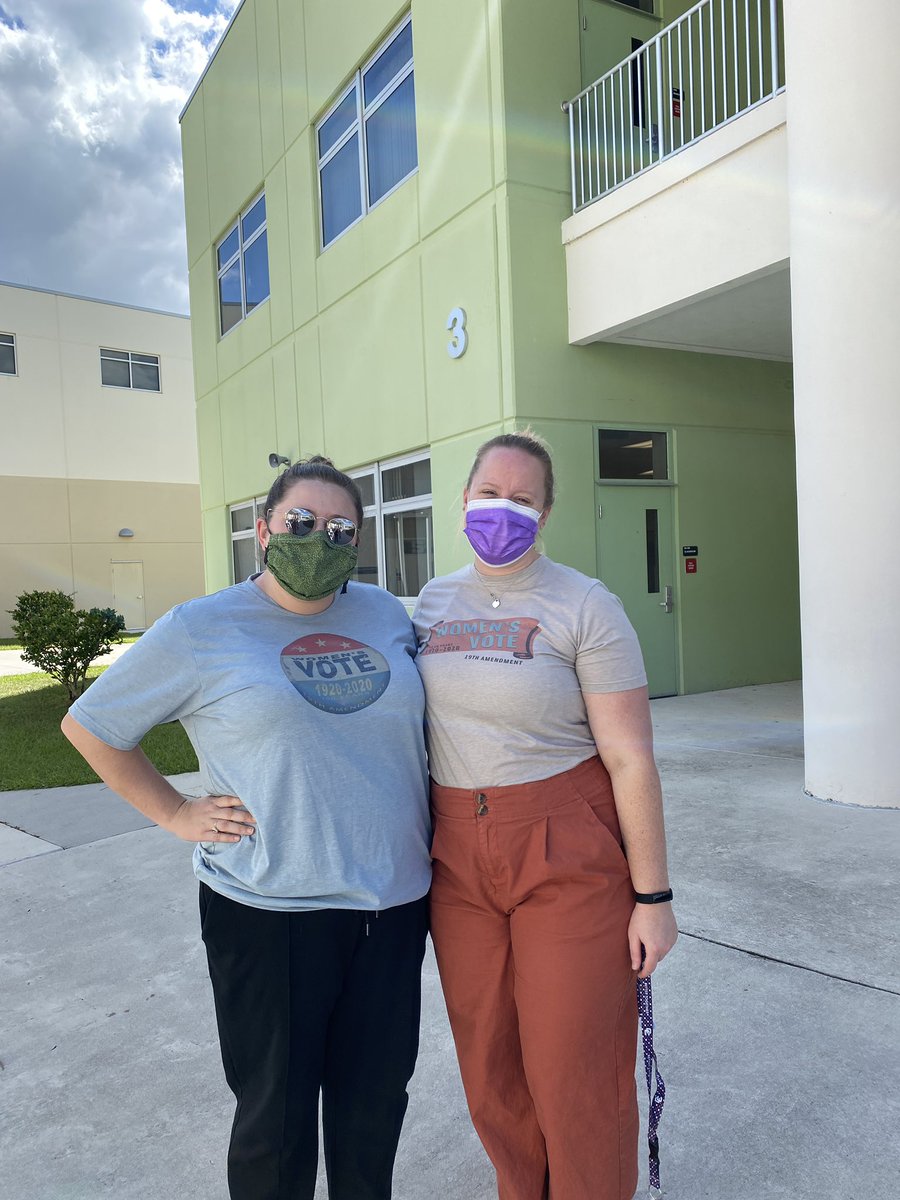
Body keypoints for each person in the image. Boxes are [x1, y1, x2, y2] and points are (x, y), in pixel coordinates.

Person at [61, 456, 431, 1200]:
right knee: (276, 1124)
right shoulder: (203, 627)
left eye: (338, 529)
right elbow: (92, 725)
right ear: (263, 529)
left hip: (391, 912)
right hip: (269, 914)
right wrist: (174, 812)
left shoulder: (386, 614)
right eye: (300, 522)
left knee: (372, 1115)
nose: (318, 538)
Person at [412, 430, 678, 1200]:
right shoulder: (432, 603)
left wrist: (654, 898)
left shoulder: (585, 605)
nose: (503, 509)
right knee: (488, 1059)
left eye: (522, 499)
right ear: (463, 500)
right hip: (457, 852)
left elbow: (630, 757)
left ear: (547, 513)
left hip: (564, 844)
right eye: (490, 493)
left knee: (574, 1064)